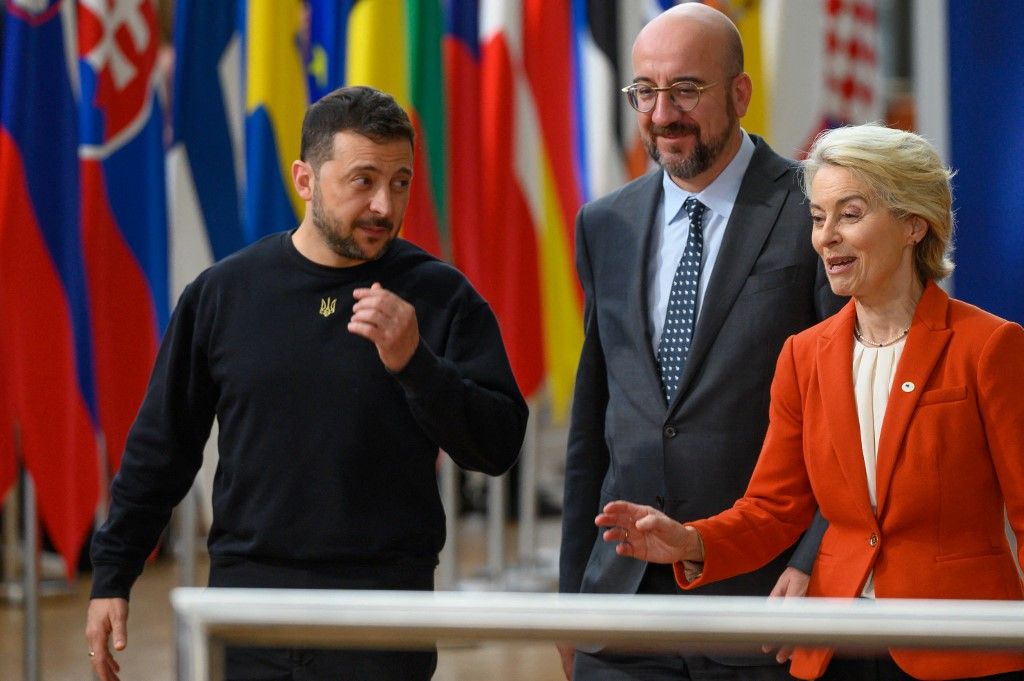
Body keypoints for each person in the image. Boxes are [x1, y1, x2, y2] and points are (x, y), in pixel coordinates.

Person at [85, 85, 528, 681]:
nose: (383, 205)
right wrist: (112, 575)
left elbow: (498, 445)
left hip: (383, 614)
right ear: (305, 179)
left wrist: (415, 363)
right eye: (362, 180)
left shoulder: (440, 296)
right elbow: (162, 448)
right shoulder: (224, 294)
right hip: (246, 609)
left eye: (400, 182)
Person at [597, 123, 1024, 681]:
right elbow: (774, 509)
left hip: (962, 647)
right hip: (834, 643)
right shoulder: (804, 355)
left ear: (914, 224)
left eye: (850, 215)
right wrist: (690, 540)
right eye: (819, 219)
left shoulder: (988, 346)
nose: (826, 238)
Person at [559, 4, 844, 680]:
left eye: (685, 89)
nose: (662, 113)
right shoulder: (605, 224)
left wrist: (813, 561)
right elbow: (591, 428)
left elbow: (849, 418)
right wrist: (570, 600)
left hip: (764, 609)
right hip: (621, 614)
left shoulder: (816, 208)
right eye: (646, 92)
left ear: (739, 94)